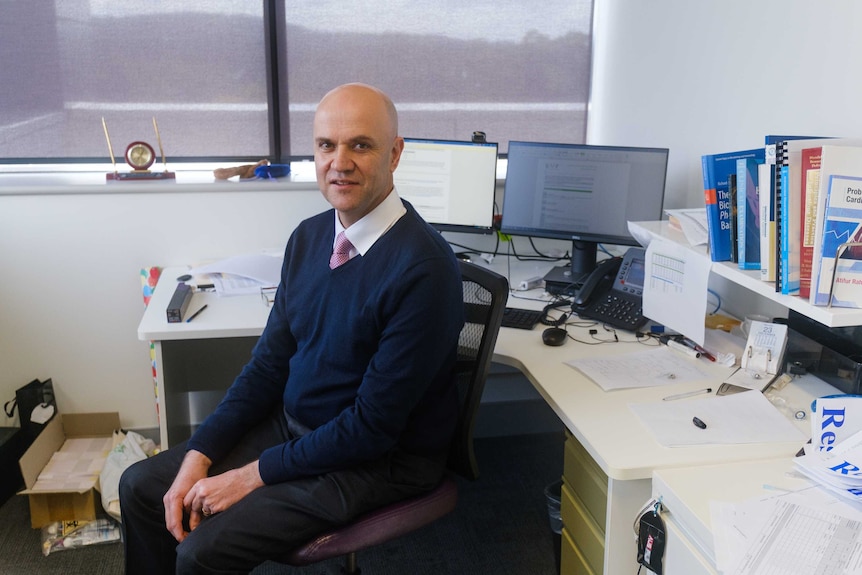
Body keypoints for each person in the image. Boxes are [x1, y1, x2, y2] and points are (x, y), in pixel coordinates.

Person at [119, 83, 465, 575]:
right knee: (141, 487)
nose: (339, 162)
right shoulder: (309, 237)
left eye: (360, 145)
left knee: (201, 551)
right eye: (327, 145)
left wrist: (248, 477)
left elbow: (371, 429)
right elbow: (267, 367)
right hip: (295, 429)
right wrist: (201, 453)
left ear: (395, 152)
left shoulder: (424, 269)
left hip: (377, 460)